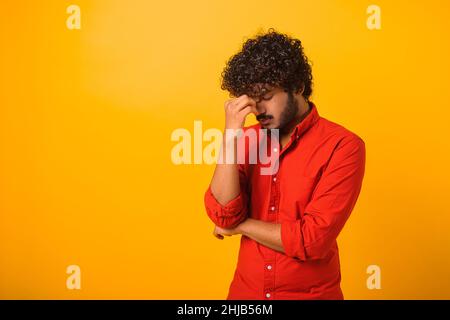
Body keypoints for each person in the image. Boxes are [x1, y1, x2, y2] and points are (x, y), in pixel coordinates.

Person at [204, 28, 366, 300]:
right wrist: (231, 135)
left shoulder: (343, 146)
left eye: (266, 96)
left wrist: (240, 227)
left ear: (298, 86)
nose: (258, 110)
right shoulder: (246, 139)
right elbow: (222, 214)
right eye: (251, 100)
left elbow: (313, 240)